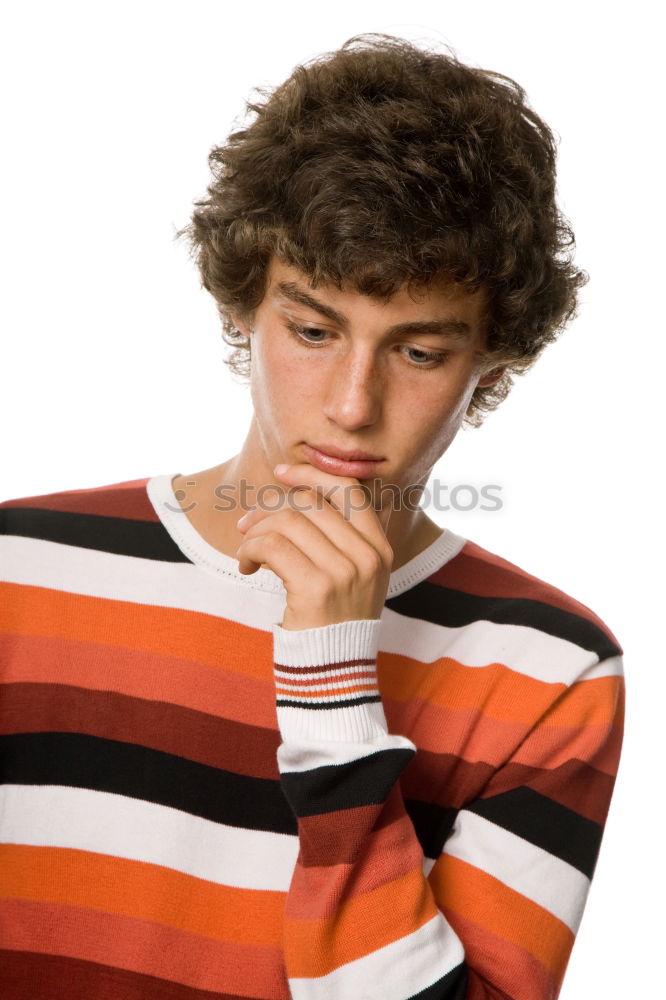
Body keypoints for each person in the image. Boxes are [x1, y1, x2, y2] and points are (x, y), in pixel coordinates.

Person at [0, 32, 624, 1000]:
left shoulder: (549, 667)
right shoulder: (21, 570)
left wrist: (333, 681)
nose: (350, 403)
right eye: (313, 330)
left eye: (418, 352)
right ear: (243, 306)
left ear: (490, 365)